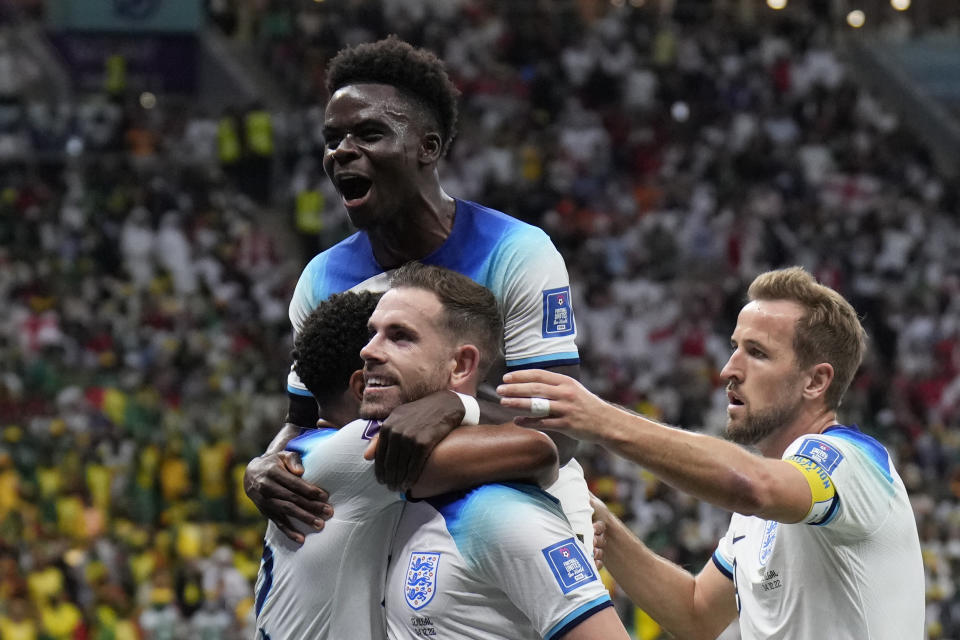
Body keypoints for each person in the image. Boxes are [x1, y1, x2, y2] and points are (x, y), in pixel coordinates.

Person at [244, 36, 592, 552]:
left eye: (368, 133)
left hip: (511, 518)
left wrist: (459, 406)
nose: (341, 151)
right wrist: (262, 465)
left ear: (428, 147)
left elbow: (560, 429)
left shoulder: (517, 250)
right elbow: (302, 422)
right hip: (390, 524)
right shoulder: (321, 278)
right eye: (333, 137)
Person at [498, 266, 925, 640]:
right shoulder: (761, 502)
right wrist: (596, 518)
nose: (728, 369)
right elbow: (696, 615)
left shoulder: (849, 460)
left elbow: (751, 486)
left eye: (756, 353)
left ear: (816, 382)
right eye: (735, 346)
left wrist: (602, 420)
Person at [255, 270, 592, 640]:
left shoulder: (313, 459)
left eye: (398, 338)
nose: (372, 350)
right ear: (360, 385)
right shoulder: (356, 451)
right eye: (374, 336)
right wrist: (460, 403)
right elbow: (540, 449)